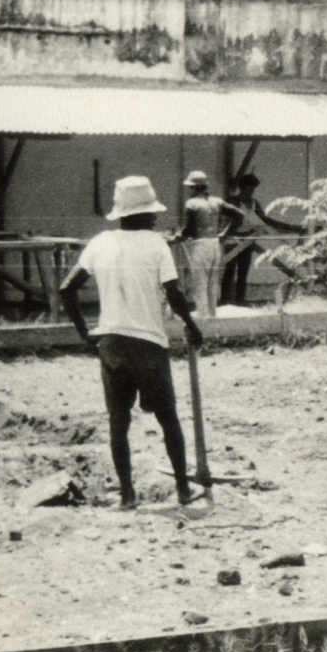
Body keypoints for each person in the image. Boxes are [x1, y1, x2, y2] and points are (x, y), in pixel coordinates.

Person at [59, 175, 206, 510]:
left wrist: (84, 333)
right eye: (152, 211)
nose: (155, 217)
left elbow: (66, 289)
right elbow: (174, 293)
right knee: (167, 417)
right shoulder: (156, 244)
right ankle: (183, 489)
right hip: (148, 344)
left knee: (118, 421)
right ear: (144, 213)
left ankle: (127, 495)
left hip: (110, 342)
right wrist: (191, 325)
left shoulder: (100, 242)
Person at [220, 173, 302, 306]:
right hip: (233, 239)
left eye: (252, 190)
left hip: (247, 238)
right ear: (242, 188)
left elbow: (266, 220)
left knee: (243, 271)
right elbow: (223, 219)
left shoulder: (254, 203)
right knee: (229, 270)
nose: (250, 192)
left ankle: (240, 300)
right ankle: (224, 300)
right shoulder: (232, 201)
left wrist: (289, 226)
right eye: (248, 189)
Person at [171, 171, 245, 318]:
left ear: (194, 187)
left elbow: (188, 230)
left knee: (200, 283)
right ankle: (212, 315)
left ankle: (203, 316)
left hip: (200, 244)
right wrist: (225, 233)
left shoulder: (192, 203)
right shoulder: (217, 201)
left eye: (190, 187)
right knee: (212, 283)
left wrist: (176, 238)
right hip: (215, 243)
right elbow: (239, 215)